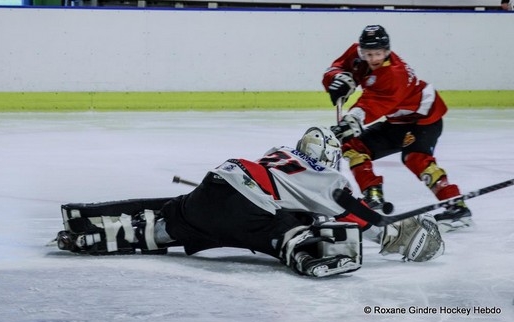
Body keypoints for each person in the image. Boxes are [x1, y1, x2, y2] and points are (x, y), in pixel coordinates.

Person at [55, 127, 444, 278]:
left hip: (215, 186)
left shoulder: (279, 154)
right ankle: (312, 254)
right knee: (290, 233)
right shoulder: (326, 177)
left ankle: (87, 227)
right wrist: (386, 230)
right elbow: (349, 209)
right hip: (247, 210)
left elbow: (283, 194)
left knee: (168, 220)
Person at [322, 25, 472, 233]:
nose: (373, 58)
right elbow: (337, 67)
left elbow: (373, 104)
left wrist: (352, 120)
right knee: (353, 147)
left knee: (415, 158)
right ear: (361, 50)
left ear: (387, 51)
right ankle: (373, 197)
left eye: (379, 54)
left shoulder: (394, 74)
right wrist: (337, 78)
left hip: (423, 119)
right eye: (368, 53)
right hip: (396, 120)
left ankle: (456, 206)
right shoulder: (357, 54)